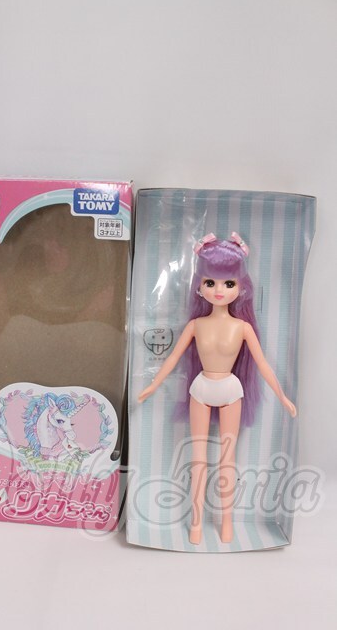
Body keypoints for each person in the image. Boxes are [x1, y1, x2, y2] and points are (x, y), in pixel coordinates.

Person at [138, 232, 296, 545]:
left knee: (227, 460)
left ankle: (227, 524)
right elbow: (173, 358)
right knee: (198, 459)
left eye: (228, 283)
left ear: (241, 287)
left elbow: (262, 365)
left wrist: (282, 396)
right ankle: (196, 523)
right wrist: (153, 384)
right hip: (201, 389)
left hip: (230, 391)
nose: (219, 290)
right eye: (210, 282)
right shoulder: (196, 325)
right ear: (199, 286)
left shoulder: (243, 327)